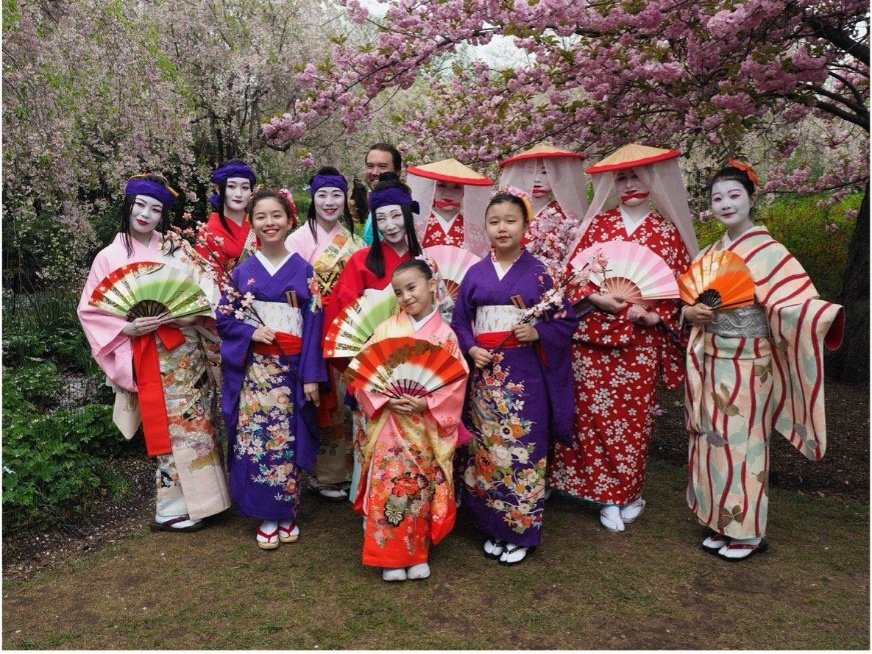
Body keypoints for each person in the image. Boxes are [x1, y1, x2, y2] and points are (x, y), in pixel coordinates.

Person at [683, 162, 843, 560]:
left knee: (745, 444)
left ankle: (748, 532)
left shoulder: (772, 253)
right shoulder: (709, 253)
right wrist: (691, 313)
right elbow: (689, 299)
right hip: (710, 358)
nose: (725, 204)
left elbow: (796, 305)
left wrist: (825, 317)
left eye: (734, 195)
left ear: (752, 199)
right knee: (711, 440)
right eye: (717, 198)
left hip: (751, 365)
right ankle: (720, 522)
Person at [548, 143, 697, 533]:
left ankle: (621, 494)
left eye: (636, 176)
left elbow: (680, 293)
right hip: (591, 339)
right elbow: (571, 278)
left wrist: (653, 315)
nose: (629, 184)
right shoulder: (598, 225)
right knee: (587, 417)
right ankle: (584, 488)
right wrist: (596, 297)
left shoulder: (667, 233)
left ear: (653, 180)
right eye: (622, 177)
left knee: (630, 421)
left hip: (640, 344)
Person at [78, 173, 231, 532]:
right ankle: (170, 508)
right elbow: (91, 310)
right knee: (168, 429)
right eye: (140, 205)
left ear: (163, 215)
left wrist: (190, 314)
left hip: (186, 351)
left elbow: (207, 291)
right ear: (128, 206)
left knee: (198, 424)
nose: (145, 214)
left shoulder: (175, 248)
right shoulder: (108, 256)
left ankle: (209, 502)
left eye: (156, 209)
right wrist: (126, 329)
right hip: (147, 352)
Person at [451, 192, 577, 565]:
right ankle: (492, 526)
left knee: (524, 451)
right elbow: (460, 321)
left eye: (510, 220)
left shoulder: (541, 273)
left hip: (525, 378)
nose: (502, 228)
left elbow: (566, 320)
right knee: (487, 452)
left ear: (525, 226)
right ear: (485, 227)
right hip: (486, 378)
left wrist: (539, 333)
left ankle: (520, 532)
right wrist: (471, 347)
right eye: (494, 221)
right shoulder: (475, 274)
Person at [217, 188, 327, 550]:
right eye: (261, 216)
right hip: (257, 372)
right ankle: (266, 514)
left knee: (289, 439)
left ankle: (287, 510)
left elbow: (314, 325)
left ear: (289, 220)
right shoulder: (242, 273)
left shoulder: (305, 271)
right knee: (259, 441)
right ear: (252, 223)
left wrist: (311, 375)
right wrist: (250, 332)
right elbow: (225, 317)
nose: (270, 222)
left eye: (276, 215)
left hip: (293, 370)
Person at [352, 259, 469, 581]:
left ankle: (416, 553)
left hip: (424, 428)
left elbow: (455, 382)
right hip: (390, 424)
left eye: (412, 287)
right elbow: (364, 374)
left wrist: (426, 402)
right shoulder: (386, 330)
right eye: (399, 292)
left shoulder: (445, 335)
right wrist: (386, 398)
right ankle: (388, 557)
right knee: (388, 485)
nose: (406, 297)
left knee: (419, 488)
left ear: (431, 285)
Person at [325, 173, 425, 503]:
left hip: (420, 368)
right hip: (373, 365)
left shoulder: (426, 261)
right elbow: (342, 322)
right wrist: (360, 365)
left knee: (415, 441)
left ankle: (413, 506)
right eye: (381, 219)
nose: (390, 225)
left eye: (396, 215)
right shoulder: (360, 262)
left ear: (409, 214)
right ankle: (373, 506)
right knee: (372, 440)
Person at [286, 166, 365, 501]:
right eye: (322, 195)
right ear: (313, 198)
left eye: (336, 195)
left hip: (345, 326)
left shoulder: (355, 241)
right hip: (311, 324)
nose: (329, 202)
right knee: (318, 396)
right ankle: (323, 475)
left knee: (345, 397)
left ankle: (346, 472)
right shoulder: (296, 240)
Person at [497, 143, 588, 268]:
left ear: (557, 176)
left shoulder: (566, 217)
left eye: (545, 172)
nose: (536, 179)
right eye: (530, 172)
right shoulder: (509, 213)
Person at [406, 158, 492, 256]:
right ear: (433, 188)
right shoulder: (416, 229)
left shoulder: (474, 233)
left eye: (457, 187)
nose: (448, 193)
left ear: (464, 192)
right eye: (441, 186)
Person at [195, 159, 258, 275]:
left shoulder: (257, 224)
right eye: (231, 186)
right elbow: (207, 279)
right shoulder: (207, 232)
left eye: (245, 188)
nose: (238, 194)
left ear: (251, 192)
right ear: (218, 189)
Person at [361, 143, 402, 245]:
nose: (375, 172)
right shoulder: (376, 203)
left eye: (382, 166)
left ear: (397, 172)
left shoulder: (404, 208)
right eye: (370, 166)